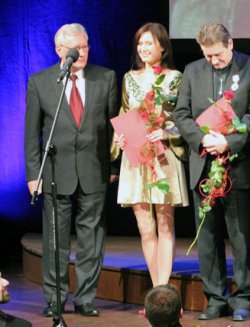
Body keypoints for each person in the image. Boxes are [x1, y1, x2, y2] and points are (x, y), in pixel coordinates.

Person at [172, 22, 250, 321]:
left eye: (217, 54)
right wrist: (203, 139)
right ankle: (214, 297)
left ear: (230, 44)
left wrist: (228, 141)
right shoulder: (192, 70)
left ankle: (244, 299)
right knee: (207, 237)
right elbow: (181, 114)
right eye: (207, 55)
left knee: (240, 236)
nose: (212, 61)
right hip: (203, 166)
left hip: (237, 165)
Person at [24, 23, 118, 318]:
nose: (81, 53)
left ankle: (85, 298)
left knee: (92, 239)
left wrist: (114, 165)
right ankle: (55, 298)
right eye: (75, 48)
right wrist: (32, 174)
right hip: (55, 172)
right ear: (60, 51)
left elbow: (115, 128)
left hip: (94, 170)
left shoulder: (106, 78)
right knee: (56, 242)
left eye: (86, 46)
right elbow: (32, 134)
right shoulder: (40, 82)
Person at [112, 22, 188, 287]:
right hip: (136, 158)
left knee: (165, 223)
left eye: (149, 43)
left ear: (162, 47)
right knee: (145, 227)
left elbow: (184, 117)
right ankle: (157, 290)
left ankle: (163, 290)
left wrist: (168, 133)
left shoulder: (175, 78)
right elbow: (123, 114)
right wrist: (118, 139)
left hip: (163, 157)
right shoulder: (128, 79)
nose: (143, 48)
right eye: (140, 43)